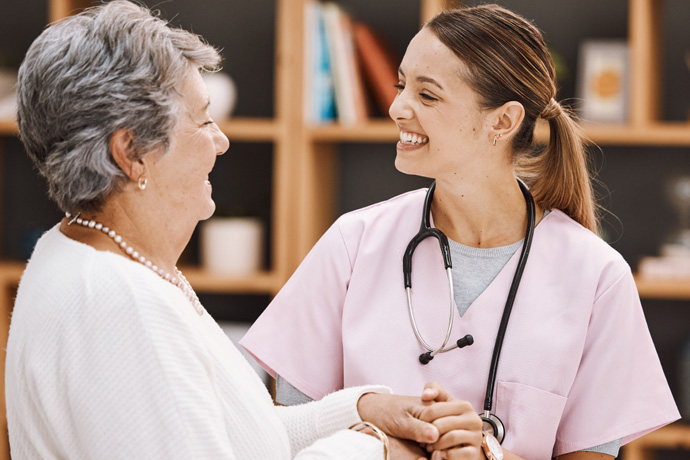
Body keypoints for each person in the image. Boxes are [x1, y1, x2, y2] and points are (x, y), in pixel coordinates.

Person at [5, 2, 475, 459]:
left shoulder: (79, 255)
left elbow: (239, 434)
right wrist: (372, 448)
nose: (221, 141)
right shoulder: (119, 303)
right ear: (131, 152)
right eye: (204, 119)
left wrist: (360, 409)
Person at [241, 4, 681, 460]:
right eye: (401, 85)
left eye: (427, 95)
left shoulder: (596, 276)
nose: (396, 107)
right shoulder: (352, 245)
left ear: (503, 121)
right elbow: (284, 436)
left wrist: (488, 455)